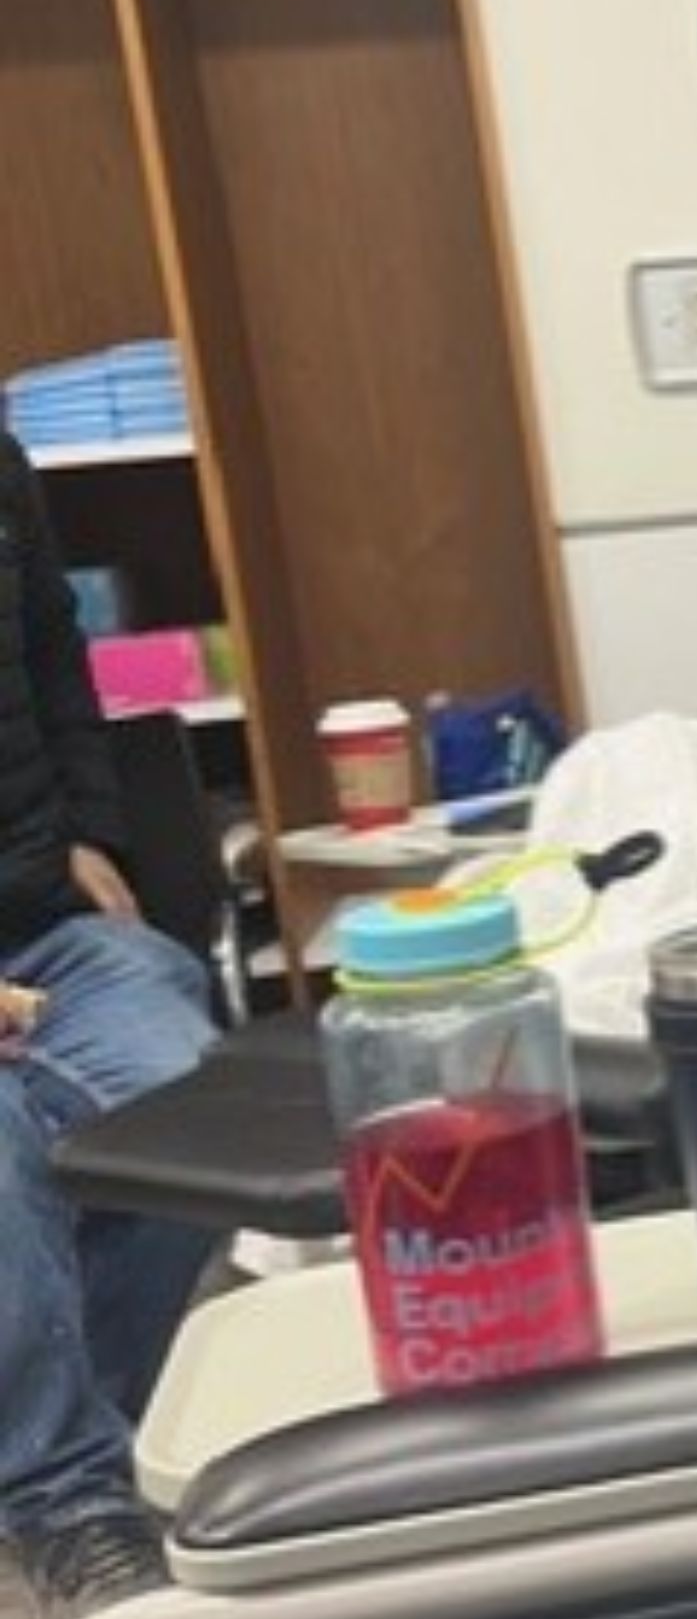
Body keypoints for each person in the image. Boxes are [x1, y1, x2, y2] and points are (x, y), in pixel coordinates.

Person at [0, 430, 220, 1618]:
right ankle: (67, 1508)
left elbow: (49, 651)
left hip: (38, 917)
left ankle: (81, 1428)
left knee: (189, 1105)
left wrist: (88, 828)